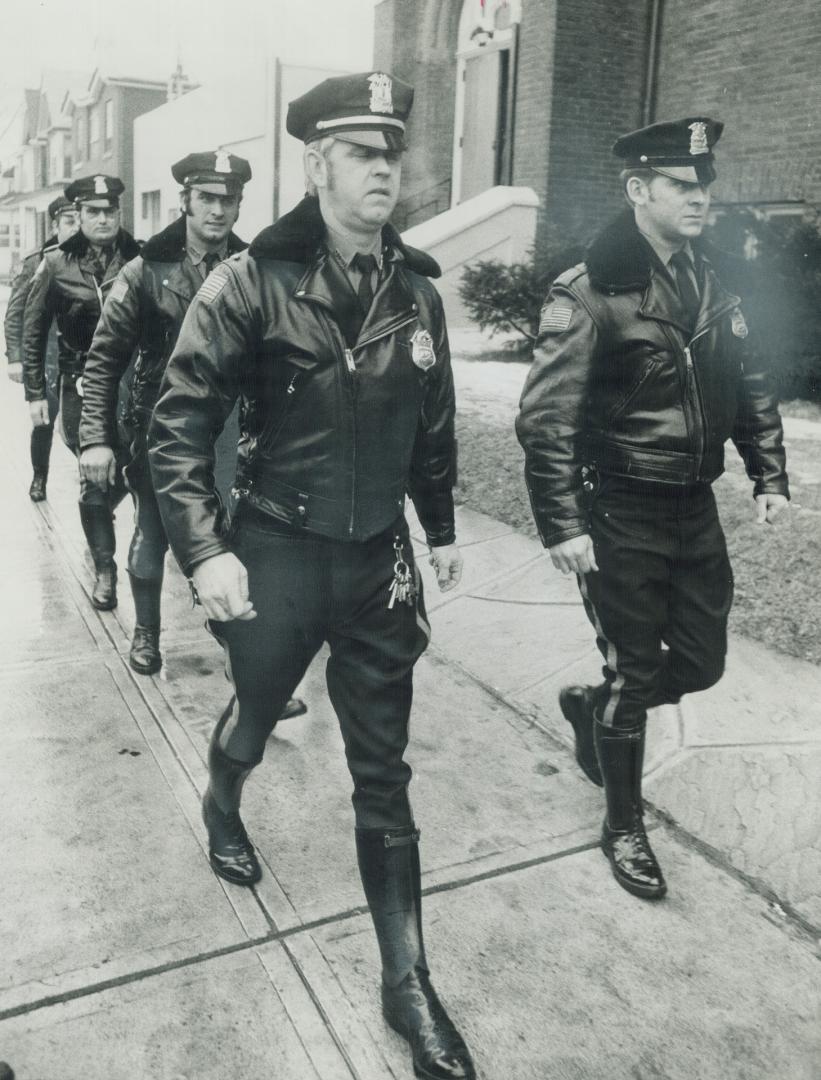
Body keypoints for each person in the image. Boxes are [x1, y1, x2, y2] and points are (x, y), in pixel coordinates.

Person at [149, 72, 474, 1080]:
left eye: (393, 153)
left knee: (385, 772)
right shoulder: (248, 282)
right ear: (319, 162)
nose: (386, 169)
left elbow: (432, 423)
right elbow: (177, 425)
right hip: (277, 557)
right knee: (253, 714)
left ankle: (405, 984)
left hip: (375, 560)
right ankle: (221, 798)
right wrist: (205, 552)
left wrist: (441, 526)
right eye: (363, 153)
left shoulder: (414, 289)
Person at [516, 117, 789, 901]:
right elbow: (545, 420)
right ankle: (623, 824)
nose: (700, 197)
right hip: (619, 509)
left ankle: (593, 709)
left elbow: (750, 383)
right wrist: (562, 523)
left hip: (692, 506)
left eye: (704, 183)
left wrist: (767, 473)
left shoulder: (710, 278)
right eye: (681, 184)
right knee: (636, 672)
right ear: (638, 191)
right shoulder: (588, 292)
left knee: (701, 662)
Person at [22, 174, 140, 609]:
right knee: (93, 471)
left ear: (119, 214)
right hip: (79, 385)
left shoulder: (141, 257)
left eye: (110, 211)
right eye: (93, 211)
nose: (103, 219)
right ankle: (105, 568)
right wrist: (36, 392)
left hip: (131, 385)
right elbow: (33, 331)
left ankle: (99, 515)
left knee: (126, 468)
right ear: (80, 215)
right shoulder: (56, 264)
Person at [4, 196, 79, 501]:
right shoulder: (38, 261)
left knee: (87, 424)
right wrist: (16, 358)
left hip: (79, 358)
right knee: (44, 421)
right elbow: (15, 313)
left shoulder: (93, 259)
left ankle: (95, 489)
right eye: (68, 221)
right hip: (48, 358)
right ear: (55, 225)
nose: (75, 228)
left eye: (79, 219)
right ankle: (39, 477)